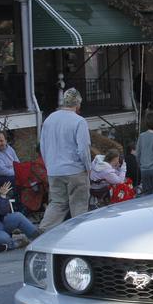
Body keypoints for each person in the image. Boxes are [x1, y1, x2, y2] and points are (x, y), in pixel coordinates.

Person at [38, 88, 92, 232]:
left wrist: (49, 165)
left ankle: (45, 231)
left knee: (56, 203)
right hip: (75, 170)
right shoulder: (79, 121)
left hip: (54, 170)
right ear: (78, 104)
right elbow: (83, 149)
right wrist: (88, 168)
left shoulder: (49, 119)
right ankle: (79, 234)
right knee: (78, 205)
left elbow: (43, 146)